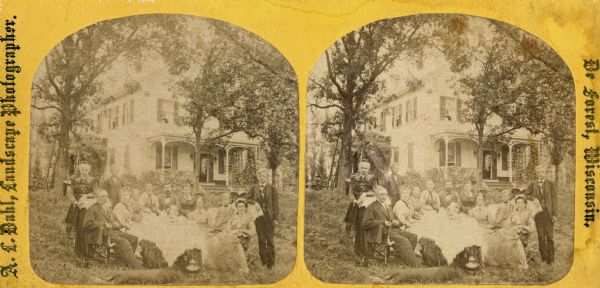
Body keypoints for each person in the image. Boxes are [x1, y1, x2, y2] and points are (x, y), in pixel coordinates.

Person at [82, 189, 141, 269]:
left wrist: (116, 223)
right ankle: (137, 268)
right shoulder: (92, 209)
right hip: (103, 234)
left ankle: (123, 261)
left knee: (134, 239)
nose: (105, 198)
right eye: (102, 196)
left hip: (113, 231)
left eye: (106, 196)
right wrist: (103, 224)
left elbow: (112, 220)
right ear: (97, 197)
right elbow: (86, 224)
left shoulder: (107, 207)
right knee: (124, 242)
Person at [363, 186, 420, 267]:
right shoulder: (371, 207)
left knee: (413, 237)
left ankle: (403, 258)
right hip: (382, 233)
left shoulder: (388, 206)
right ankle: (414, 266)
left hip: (393, 230)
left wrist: (396, 222)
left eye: (385, 194)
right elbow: (365, 223)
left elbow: (394, 219)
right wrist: (383, 222)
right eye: (381, 194)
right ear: (376, 195)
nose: (383, 196)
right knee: (404, 240)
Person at [244, 168, 279, 270]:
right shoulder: (254, 188)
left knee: (270, 240)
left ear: (266, 176)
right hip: (258, 218)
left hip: (269, 218)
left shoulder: (272, 188)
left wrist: (275, 218)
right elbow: (246, 199)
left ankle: (271, 263)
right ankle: (264, 262)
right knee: (261, 240)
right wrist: (255, 203)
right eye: (259, 175)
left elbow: (276, 204)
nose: (261, 177)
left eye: (263, 175)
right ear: (257, 177)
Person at [344, 161, 377, 263]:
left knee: (365, 228)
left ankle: (367, 254)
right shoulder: (353, 178)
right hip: (355, 206)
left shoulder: (372, 178)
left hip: (367, 207)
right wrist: (355, 201)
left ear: (369, 169)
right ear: (359, 168)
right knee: (357, 229)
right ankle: (357, 254)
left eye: (366, 168)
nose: (364, 170)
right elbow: (350, 193)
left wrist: (365, 195)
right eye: (362, 168)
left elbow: (375, 191)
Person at [526, 165, 557, 265]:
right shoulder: (532, 184)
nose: (541, 174)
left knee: (550, 237)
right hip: (538, 214)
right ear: (536, 173)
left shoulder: (550, 184)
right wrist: (533, 199)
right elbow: (526, 195)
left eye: (542, 172)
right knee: (540, 236)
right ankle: (544, 257)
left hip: (548, 214)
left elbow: (554, 200)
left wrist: (554, 214)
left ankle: (551, 259)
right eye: (539, 172)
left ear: (545, 173)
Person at [65, 162, 97, 240]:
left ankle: (85, 238)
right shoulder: (74, 180)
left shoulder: (93, 180)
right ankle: (73, 239)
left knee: (85, 220)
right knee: (74, 219)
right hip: (76, 202)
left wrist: (86, 196)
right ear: (80, 170)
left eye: (86, 170)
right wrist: (75, 202)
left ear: (89, 171)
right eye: (82, 169)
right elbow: (71, 193)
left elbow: (95, 193)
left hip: (88, 203)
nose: (84, 171)